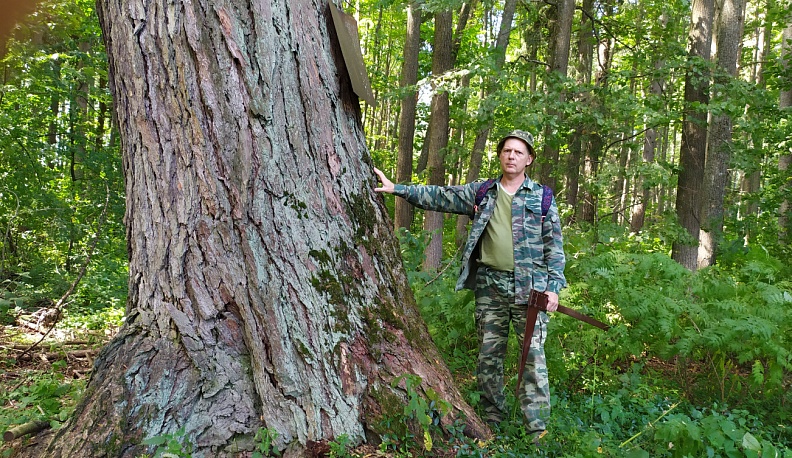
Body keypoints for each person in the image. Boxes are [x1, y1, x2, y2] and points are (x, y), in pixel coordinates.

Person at [373, 130, 566, 438]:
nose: (511, 156)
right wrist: (397, 189)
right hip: (490, 286)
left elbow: (554, 247)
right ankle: (492, 421)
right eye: (507, 151)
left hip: (531, 290)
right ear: (500, 156)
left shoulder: (541, 197)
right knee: (489, 357)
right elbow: (439, 196)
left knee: (532, 358)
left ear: (528, 159)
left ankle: (537, 430)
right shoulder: (483, 192)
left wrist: (554, 287)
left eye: (518, 152)